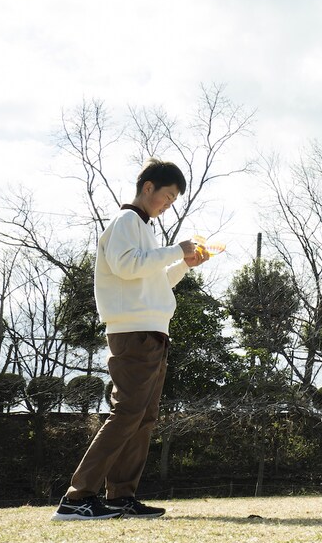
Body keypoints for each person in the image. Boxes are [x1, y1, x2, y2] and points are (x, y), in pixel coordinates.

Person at [52, 160, 211, 521]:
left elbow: (150, 280)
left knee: (143, 417)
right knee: (127, 413)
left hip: (150, 331)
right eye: (167, 196)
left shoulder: (142, 229)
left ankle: (121, 497)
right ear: (148, 187)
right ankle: (77, 499)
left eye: (173, 200)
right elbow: (126, 266)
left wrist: (185, 264)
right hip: (133, 332)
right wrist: (175, 249)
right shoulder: (126, 222)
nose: (167, 204)